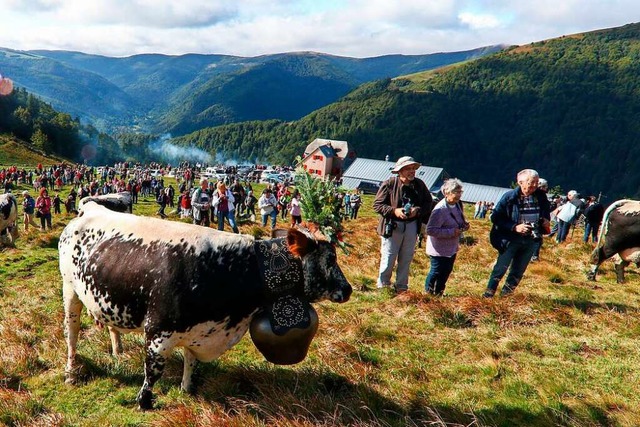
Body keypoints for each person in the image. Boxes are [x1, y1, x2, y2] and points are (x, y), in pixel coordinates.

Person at [484, 169, 551, 297]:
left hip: (531, 239)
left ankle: (506, 296)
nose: (535, 185)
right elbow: (495, 217)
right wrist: (514, 227)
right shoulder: (509, 197)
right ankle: (488, 295)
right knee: (500, 268)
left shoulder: (541, 196)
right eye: (531, 182)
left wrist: (545, 220)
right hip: (510, 239)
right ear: (520, 182)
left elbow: (545, 211)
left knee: (518, 270)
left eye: (537, 182)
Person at [373, 156, 433, 293]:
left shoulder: (420, 185)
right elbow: (377, 205)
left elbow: (428, 203)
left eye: (413, 169)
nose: (412, 171)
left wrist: (417, 211)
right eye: (408, 169)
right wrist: (394, 211)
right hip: (392, 225)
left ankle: (401, 286)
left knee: (406, 257)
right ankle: (383, 285)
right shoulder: (389, 184)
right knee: (389, 257)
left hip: (412, 225)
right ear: (400, 171)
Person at [424, 178, 469, 296]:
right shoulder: (440, 210)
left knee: (446, 272)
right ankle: (428, 294)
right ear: (447, 193)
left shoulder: (458, 204)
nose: (459, 195)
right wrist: (451, 232)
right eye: (456, 192)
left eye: (460, 192)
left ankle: (439, 293)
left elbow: (458, 218)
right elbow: (430, 230)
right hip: (438, 249)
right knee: (436, 272)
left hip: (451, 247)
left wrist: (464, 224)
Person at [531, 178, 549, 261]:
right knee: (537, 238)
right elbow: (545, 208)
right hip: (538, 219)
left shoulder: (530, 193)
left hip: (531, 218)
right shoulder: (541, 195)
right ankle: (534, 256)